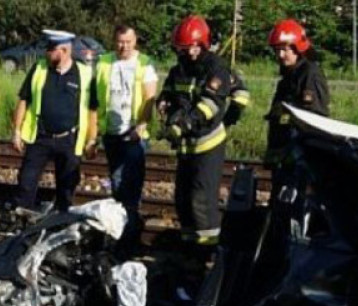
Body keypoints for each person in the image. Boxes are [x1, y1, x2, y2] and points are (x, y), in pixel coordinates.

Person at [157, 15, 231, 250]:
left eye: (193, 48)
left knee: (201, 201)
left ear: (203, 44)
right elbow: (168, 90)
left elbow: (209, 105)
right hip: (186, 146)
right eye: (183, 48)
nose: (189, 53)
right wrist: (163, 102)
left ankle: (207, 254)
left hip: (207, 143)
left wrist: (183, 124)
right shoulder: (179, 67)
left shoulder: (216, 68)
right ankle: (190, 250)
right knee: (182, 201)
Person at [12, 30, 98, 213]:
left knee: (66, 186)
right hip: (40, 136)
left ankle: (60, 224)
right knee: (26, 182)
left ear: (65, 51)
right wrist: (17, 131)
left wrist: (91, 139)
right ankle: (23, 221)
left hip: (69, 139)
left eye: (52, 49)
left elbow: (92, 109)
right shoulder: (39, 69)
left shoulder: (84, 74)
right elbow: (23, 100)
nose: (47, 52)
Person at [95, 24, 158, 249]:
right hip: (111, 132)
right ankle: (120, 231)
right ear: (115, 41)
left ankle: (129, 234)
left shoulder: (144, 64)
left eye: (128, 42)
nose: (124, 46)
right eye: (120, 42)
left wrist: (141, 125)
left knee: (130, 184)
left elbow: (150, 99)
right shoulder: (104, 62)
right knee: (116, 182)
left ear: (135, 42)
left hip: (133, 134)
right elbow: (96, 97)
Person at [264, 19, 330, 168]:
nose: (280, 55)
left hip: (300, 156)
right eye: (277, 50)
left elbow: (313, 117)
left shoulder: (309, 74)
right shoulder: (288, 77)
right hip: (284, 153)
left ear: (297, 48)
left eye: (284, 49)